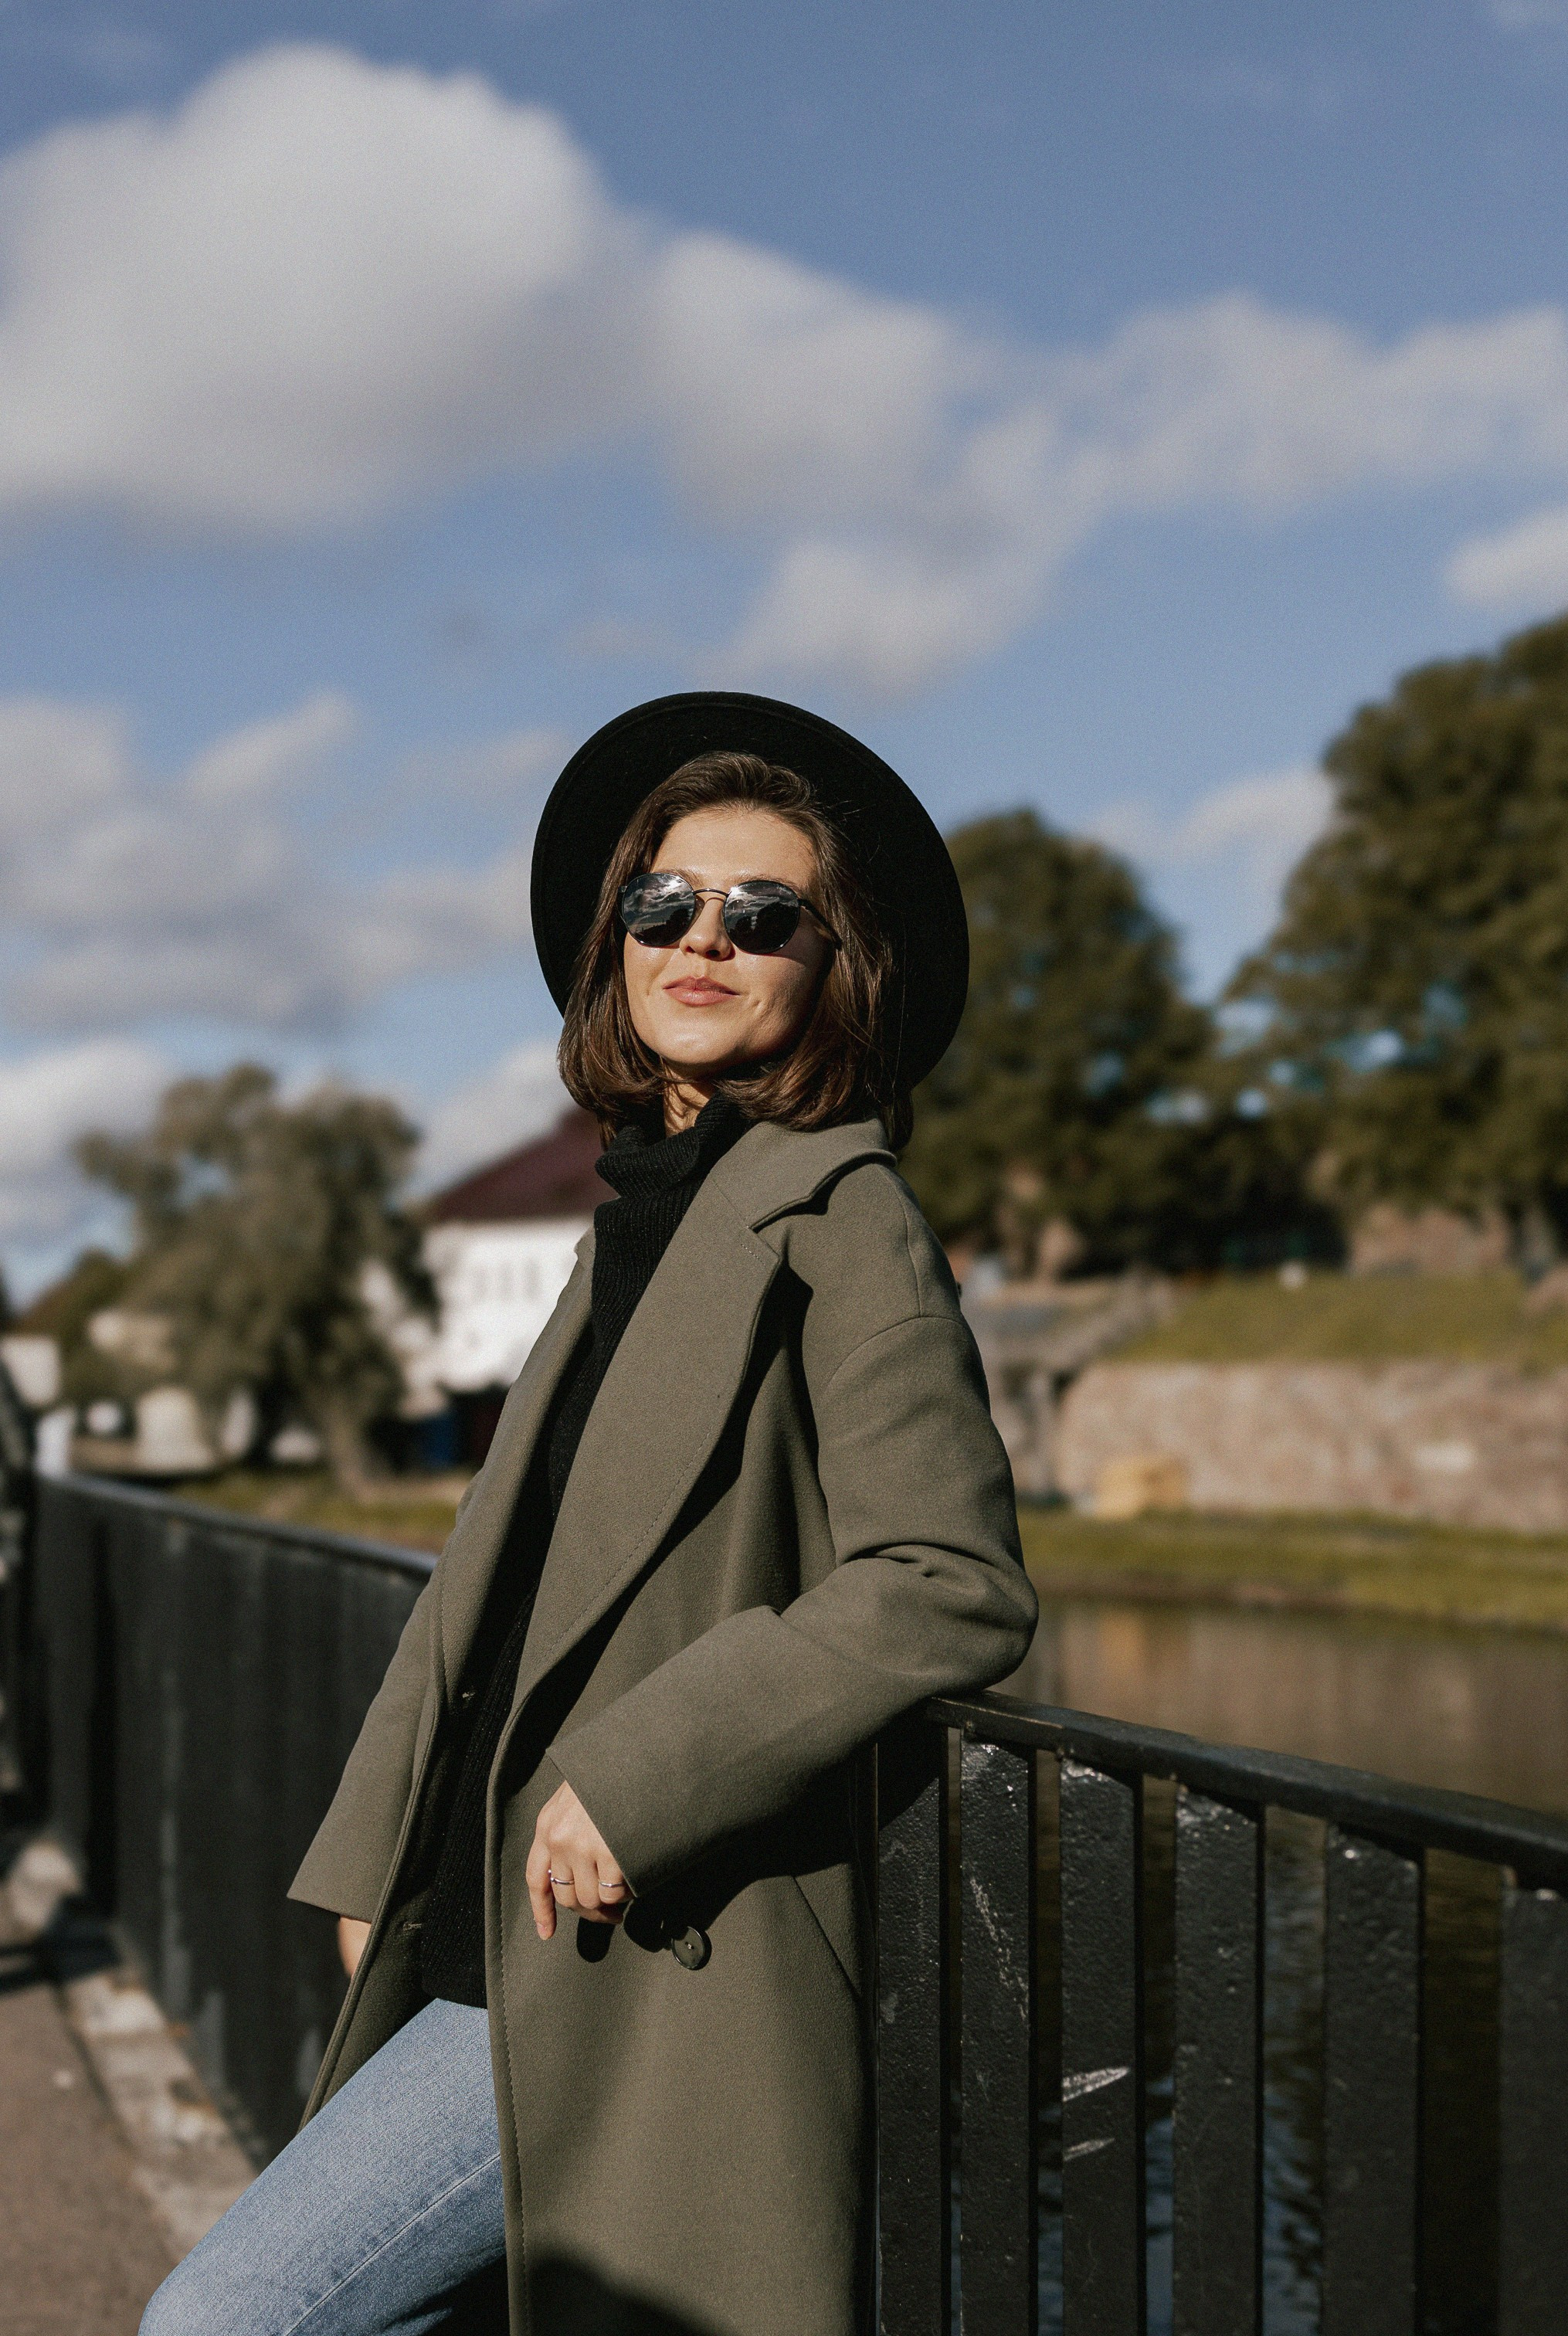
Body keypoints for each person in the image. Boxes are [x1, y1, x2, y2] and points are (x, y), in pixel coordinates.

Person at [141, 693, 1036, 2336]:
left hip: (650, 1956)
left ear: (829, 969)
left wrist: (644, 1773)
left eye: (764, 918)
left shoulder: (843, 1215)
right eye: (665, 903)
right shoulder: (632, 1216)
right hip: (496, 1918)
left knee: (224, 2321)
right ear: (615, 935)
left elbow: (946, 1579)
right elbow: (505, 1564)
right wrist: (382, 1852)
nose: (703, 939)